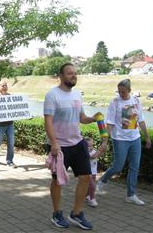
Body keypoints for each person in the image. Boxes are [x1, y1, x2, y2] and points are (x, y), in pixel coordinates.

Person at [44, 63, 107, 230]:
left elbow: (82, 118)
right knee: (57, 181)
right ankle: (57, 213)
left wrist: (93, 119)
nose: (73, 76)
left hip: (78, 143)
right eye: (69, 73)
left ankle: (77, 213)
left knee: (86, 177)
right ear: (61, 76)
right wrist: (54, 143)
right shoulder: (52, 95)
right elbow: (48, 122)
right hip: (60, 146)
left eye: (75, 73)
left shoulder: (77, 94)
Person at [96, 79, 151, 205]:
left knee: (134, 167)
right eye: (119, 91)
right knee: (117, 167)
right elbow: (109, 123)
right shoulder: (115, 102)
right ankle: (102, 181)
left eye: (124, 92)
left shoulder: (136, 101)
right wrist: (105, 141)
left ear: (130, 91)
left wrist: (147, 137)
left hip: (135, 138)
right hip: (120, 139)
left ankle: (131, 195)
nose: (121, 94)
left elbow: (141, 120)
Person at [85, 137, 104, 207]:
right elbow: (94, 156)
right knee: (93, 186)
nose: (90, 147)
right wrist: (101, 149)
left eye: (92, 145)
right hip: (87, 172)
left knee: (89, 185)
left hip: (93, 172)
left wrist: (102, 150)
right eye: (88, 146)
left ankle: (86, 195)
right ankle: (92, 199)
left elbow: (97, 155)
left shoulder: (93, 151)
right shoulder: (85, 153)